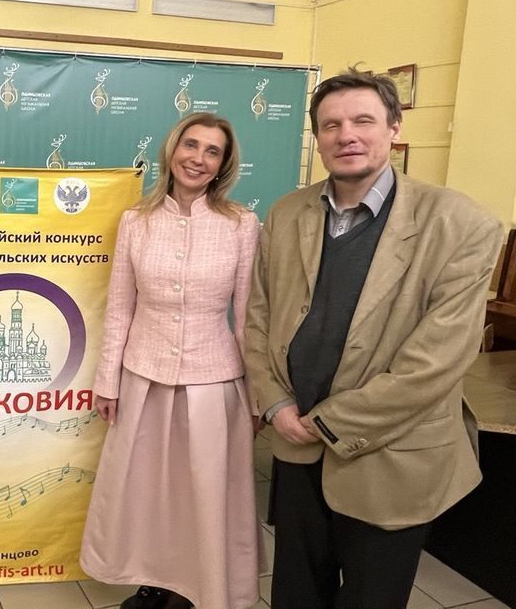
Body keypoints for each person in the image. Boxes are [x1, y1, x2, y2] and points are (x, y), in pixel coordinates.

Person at [245, 69, 504, 609]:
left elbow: (436, 362)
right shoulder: (286, 213)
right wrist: (275, 404)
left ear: (394, 126)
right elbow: (258, 318)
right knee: (295, 593)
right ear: (317, 137)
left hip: (390, 454)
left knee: (372, 597)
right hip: (295, 445)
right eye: (331, 125)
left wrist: (329, 423)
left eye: (363, 120)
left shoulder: (460, 223)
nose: (347, 135)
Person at [80, 112, 261, 609]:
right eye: (191, 145)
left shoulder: (241, 224)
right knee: (146, 490)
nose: (198, 159)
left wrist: (258, 397)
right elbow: (120, 307)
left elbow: (248, 316)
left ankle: (200, 587)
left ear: (223, 165)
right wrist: (108, 381)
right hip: (144, 377)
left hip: (213, 382)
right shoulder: (135, 221)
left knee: (201, 492)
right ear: (172, 150)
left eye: (212, 151)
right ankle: (153, 581)